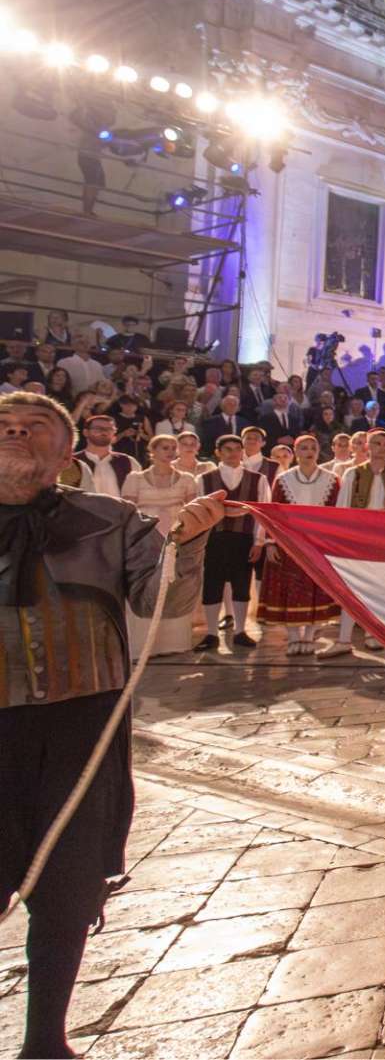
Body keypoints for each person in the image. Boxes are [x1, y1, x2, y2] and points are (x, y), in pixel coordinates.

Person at [0, 393, 227, 1060]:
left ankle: (46, 1041)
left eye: (33, 426)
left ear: (66, 455)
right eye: (4, 425)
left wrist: (189, 543)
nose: (14, 431)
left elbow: (164, 602)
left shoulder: (110, 519)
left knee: (67, 889)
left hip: (82, 730)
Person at [317, 430, 385, 659]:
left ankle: (372, 634)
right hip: (358, 540)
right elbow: (342, 509)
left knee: (379, 591)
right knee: (352, 589)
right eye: (377, 443)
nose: (382, 447)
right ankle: (344, 639)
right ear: (367, 446)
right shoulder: (353, 474)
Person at [257, 434, 340, 654]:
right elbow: (273, 513)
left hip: (318, 544)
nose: (309, 451)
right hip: (289, 544)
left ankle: (311, 636)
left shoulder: (331, 479)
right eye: (303, 448)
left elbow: (336, 515)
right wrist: (270, 542)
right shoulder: (284, 479)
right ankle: (294, 636)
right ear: (296, 452)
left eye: (313, 447)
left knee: (317, 587)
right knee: (290, 588)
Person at [118, 434, 199, 656]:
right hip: (144, 538)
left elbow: (192, 510)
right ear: (152, 451)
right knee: (146, 586)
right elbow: (126, 511)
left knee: (174, 587)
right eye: (165, 447)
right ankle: (144, 646)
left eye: (174, 447)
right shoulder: (135, 478)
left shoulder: (187, 479)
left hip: (176, 536)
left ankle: (173, 643)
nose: (171, 451)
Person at [195, 435, 267, 654]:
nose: (234, 453)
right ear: (218, 452)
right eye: (228, 449)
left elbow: (262, 513)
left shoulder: (258, 479)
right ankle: (211, 634)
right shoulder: (205, 479)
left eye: (237, 449)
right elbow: (200, 512)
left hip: (244, 538)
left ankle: (239, 631)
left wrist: (259, 541)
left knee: (241, 584)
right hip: (214, 539)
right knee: (212, 585)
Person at [74, 414, 138, 500]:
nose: (103, 432)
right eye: (98, 428)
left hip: (119, 512)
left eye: (109, 429)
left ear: (114, 433)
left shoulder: (129, 462)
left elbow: (139, 494)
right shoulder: (73, 462)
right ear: (86, 432)